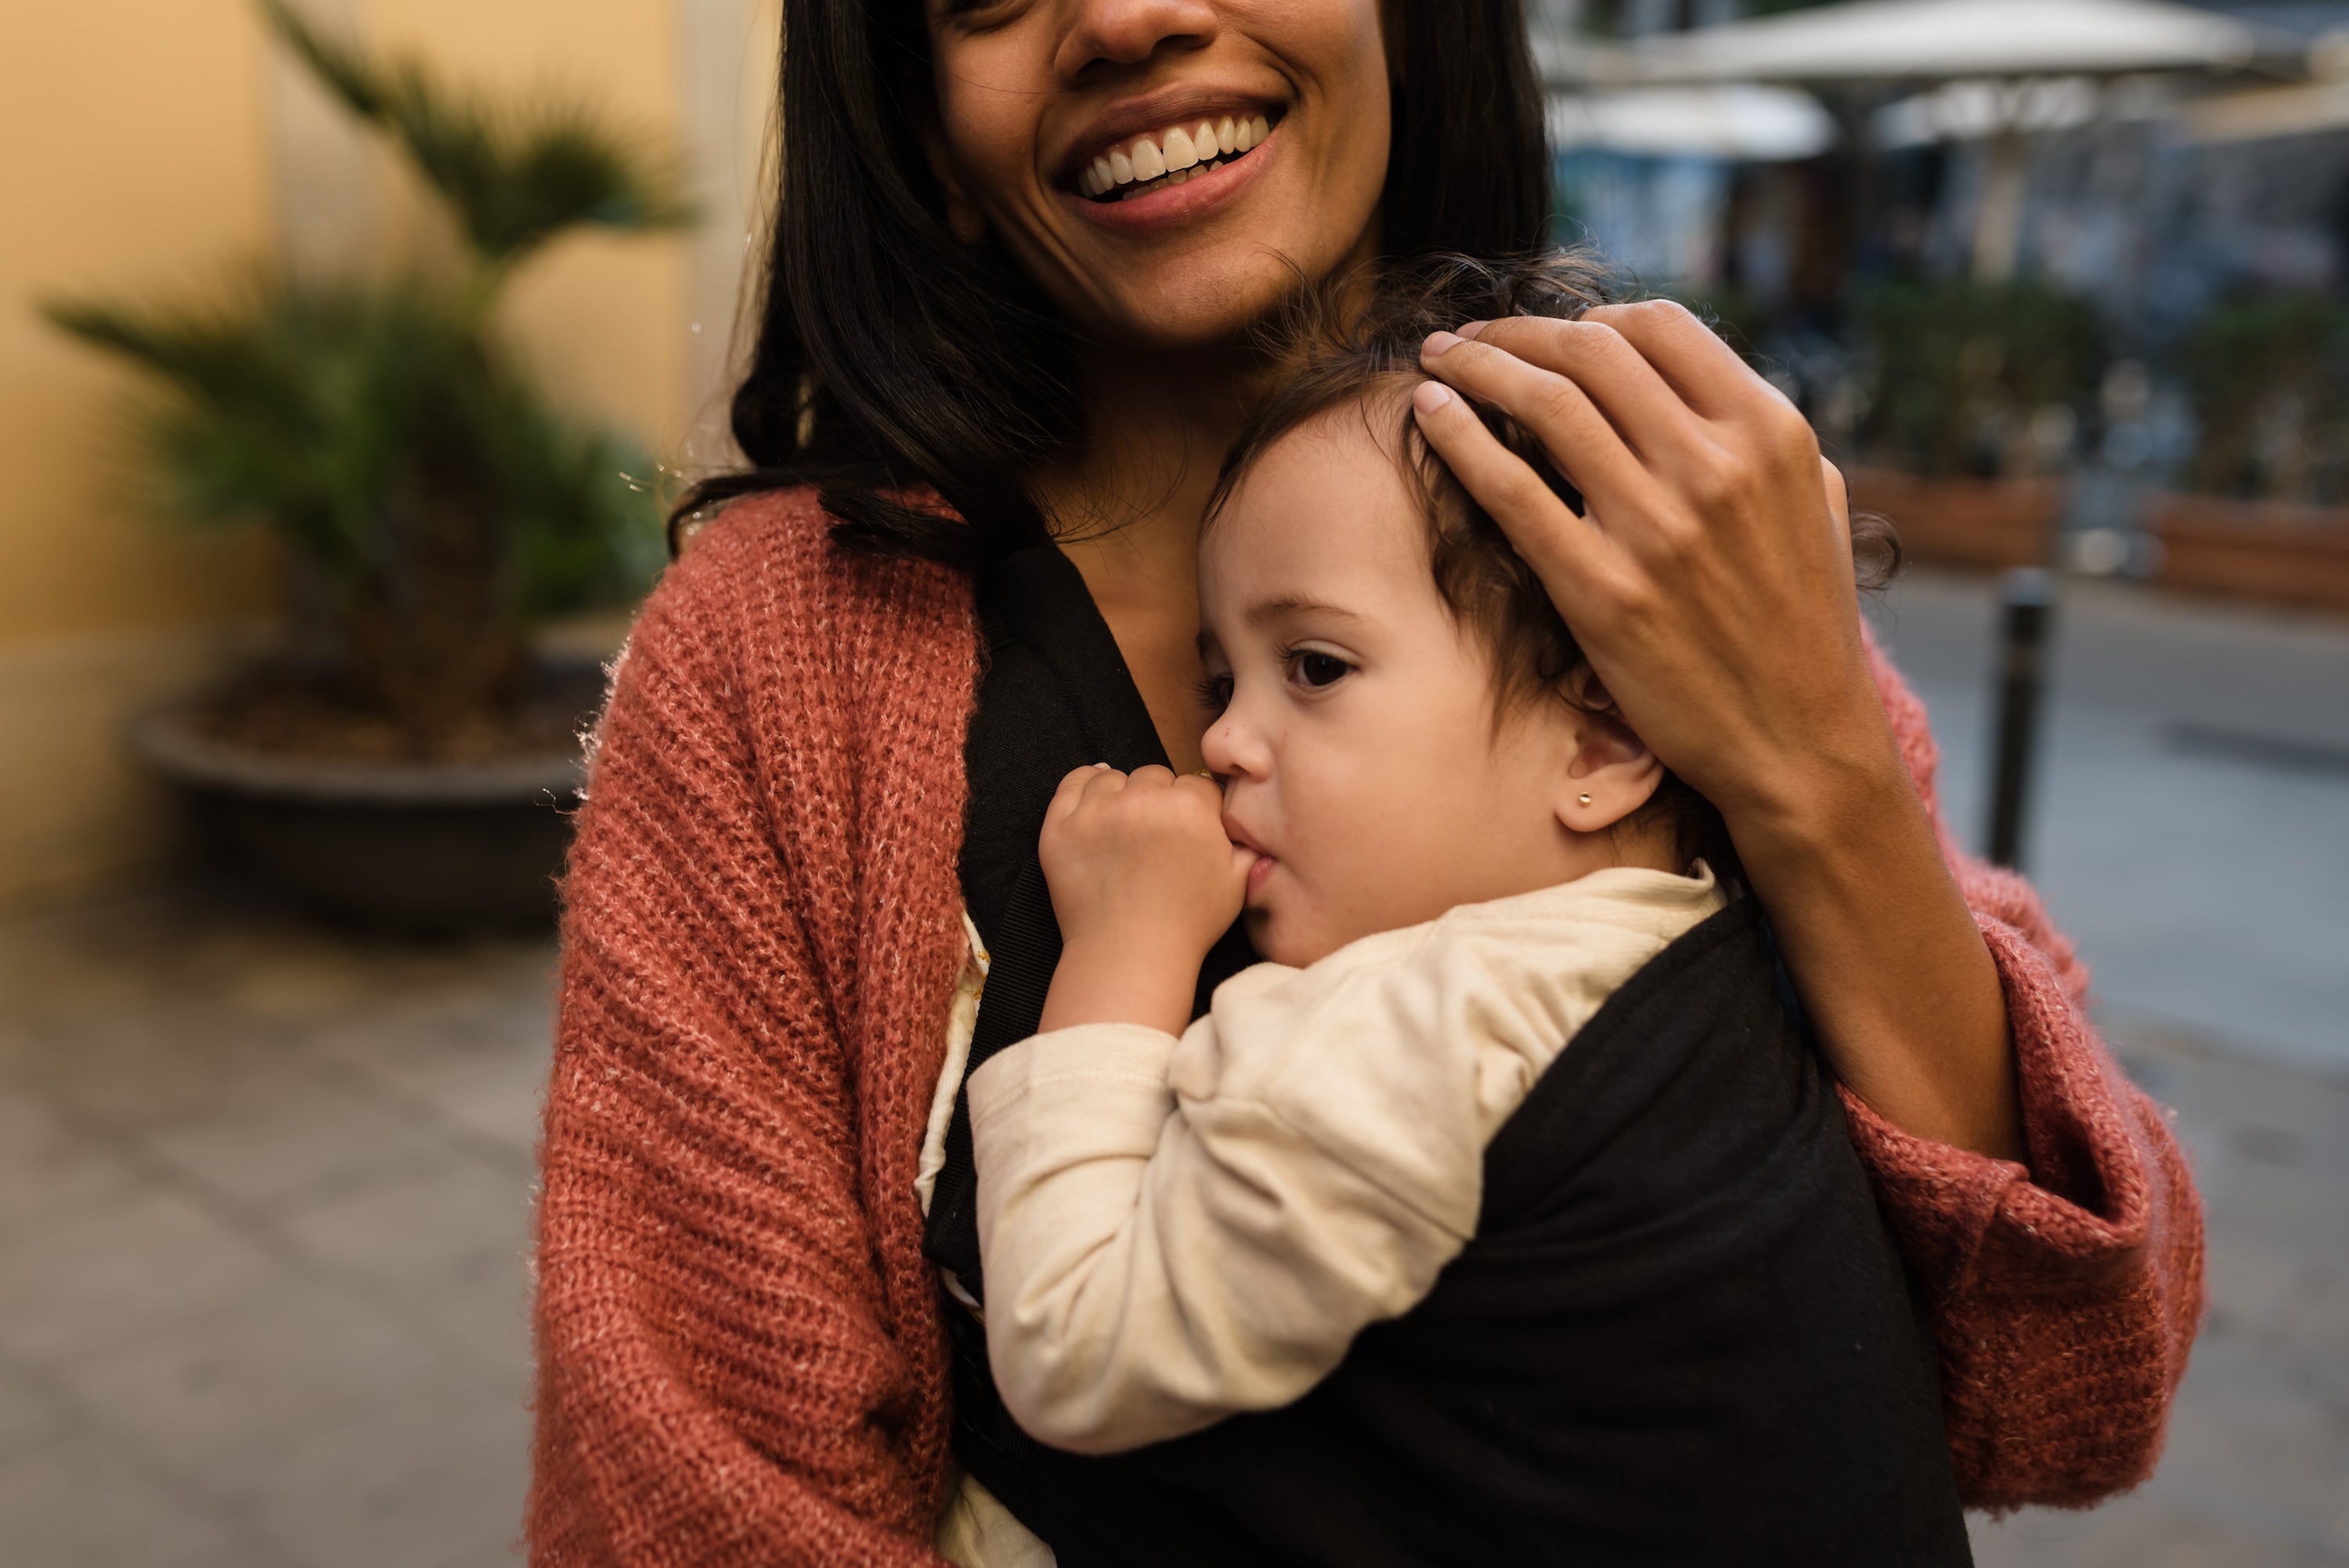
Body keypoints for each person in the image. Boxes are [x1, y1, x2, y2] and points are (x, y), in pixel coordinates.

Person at [527, 3, 2204, 1565]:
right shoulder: (783, 658)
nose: (1124, 17)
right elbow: (686, 1488)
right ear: (922, 139)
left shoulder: (1628, 506)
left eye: (1318, 669)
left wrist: (1818, 762)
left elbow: (2065, 1382)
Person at [954, 253, 1973, 1566]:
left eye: (1313, 667)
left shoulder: (1417, 1029)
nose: (1226, 743)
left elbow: (1076, 1351)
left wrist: (1125, 953)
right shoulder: (1712, 946)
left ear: (1604, 744)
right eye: (1222, 680)